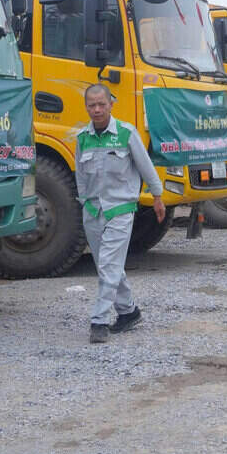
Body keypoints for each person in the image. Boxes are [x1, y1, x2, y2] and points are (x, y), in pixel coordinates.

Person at [74, 83, 166, 344]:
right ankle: (129, 312)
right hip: (93, 210)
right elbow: (80, 177)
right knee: (108, 266)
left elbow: (146, 166)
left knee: (108, 265)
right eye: (92, 105)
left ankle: (99, 321)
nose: (97, 109)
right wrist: (83, 203)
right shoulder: (82, 138)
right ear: (86, 107)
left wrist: (157, 196)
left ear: (111, 104)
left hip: (121, 209)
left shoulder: (126, 133)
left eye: (102, 104)